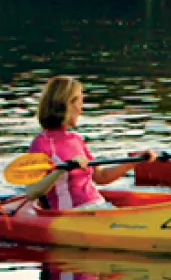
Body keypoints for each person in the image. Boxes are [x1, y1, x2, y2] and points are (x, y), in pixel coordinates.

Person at [29, 76, 154, 209]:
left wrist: (135, 161)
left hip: (98, 206)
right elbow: (32, 192)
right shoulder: (41, 144)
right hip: (71, 215)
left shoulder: (76, 139)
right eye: (79, 103)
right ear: (67, 104)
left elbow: (101, 176)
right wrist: (62, 169)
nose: (81, 110)